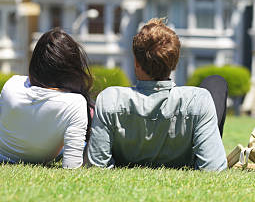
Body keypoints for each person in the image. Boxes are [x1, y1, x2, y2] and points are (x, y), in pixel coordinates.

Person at [86, 18, 227, 171]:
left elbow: (97, 165)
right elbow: (214, 168)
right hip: (187, 154)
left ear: (136, 62)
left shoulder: (110, 99)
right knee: (216, 82)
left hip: (124, 155)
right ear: (174, 62)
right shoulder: (199, 99)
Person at [0, 28, 93, 168]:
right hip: (42, 155)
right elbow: (72, 165)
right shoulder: (76, 103)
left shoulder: (13, 84)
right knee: (77, 141)